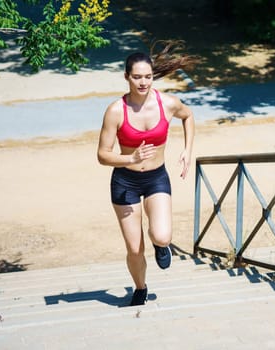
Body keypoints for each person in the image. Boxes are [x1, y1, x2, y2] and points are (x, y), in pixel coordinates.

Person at [97, 42, 197, 306]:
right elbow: (102, 155)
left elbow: (188, 116)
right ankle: (140, 287)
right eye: (137, 77)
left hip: (156, 178)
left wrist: (187, 149)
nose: (143, 82)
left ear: (154, 76)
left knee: (162, 235)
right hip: (125, 181)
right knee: (134, 248)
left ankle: (161, 246)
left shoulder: (168, 103)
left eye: (148, 76)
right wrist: (130, 157)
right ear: (126, 77)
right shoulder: (116, 111)